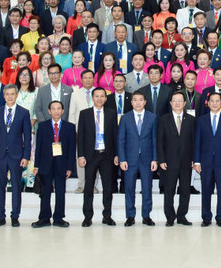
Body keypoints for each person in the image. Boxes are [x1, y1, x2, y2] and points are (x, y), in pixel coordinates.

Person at [0, 84, 32, 227]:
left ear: (16, 95)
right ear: (4, 95)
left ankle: (15, 216)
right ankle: (0, 216)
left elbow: (27, 137)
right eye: (7, 94)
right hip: (0, 155)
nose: (10, 97)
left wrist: (26, 156)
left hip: (16, 155)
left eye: (12, 94)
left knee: (16, 187)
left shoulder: (24, 113)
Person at [77, 88, 119, 226]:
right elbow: (81, 136)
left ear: (106, 98)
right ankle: (87, 217)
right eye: (97, 96)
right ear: (92, 98)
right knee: (88, 187)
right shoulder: (85, 114)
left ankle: (107, 216)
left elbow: (115, 135)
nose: (99, 99)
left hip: (107, 155)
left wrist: (117, 154)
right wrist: (81, 155)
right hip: (90, 155)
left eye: (102, 96)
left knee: (108, 187)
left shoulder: (112, 114)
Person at [193, 92, 221, 227]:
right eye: (212, 101)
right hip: (205, 162)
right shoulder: (200, 120)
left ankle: (220, 217)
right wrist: (197, 161)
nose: (215, 103)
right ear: (208, 103)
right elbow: (197, 142)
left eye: (217, 101)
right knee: (206, 190)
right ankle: (206, 217)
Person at [32, 100, 76, 228]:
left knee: (60, 191)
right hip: (46, 164)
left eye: (59, 109)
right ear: (49, 111)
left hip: (62, 164)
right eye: (53, 109)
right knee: (45, 192)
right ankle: (44, 218)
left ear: (63, 111)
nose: (56, 111)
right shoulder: (43, 126)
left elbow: (72, 149)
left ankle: (59, 218)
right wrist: (36, 166)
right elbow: (38, 147)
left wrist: (69, 167)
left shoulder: (70, 127)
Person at [118, 91, 158, 227]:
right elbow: (121, 140)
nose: (138, 102)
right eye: (135, 100)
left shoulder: (152, 117)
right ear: (131, 102)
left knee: (147, 187)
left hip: (147, 159)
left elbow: (154, 140)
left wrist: (155, 159)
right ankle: (130, 216)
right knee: (129, 188)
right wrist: (122, 159)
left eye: (141, 100)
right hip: (129, 159)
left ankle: (146, 215)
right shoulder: (125, 118)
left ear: (145, 102)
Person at [157, 90, 196, 226]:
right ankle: (170, 216)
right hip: (169, 162)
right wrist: (161, 160)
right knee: (169, 191)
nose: (178, 103)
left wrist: (194, 159)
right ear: (171, 103)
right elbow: (160, 141)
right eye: (175, 101)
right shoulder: (164, 119)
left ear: (185, 103)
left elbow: (194, 141)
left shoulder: (191, 119)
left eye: (180, 100)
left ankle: (182, 216)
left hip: (186, 161)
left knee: (185, 191)